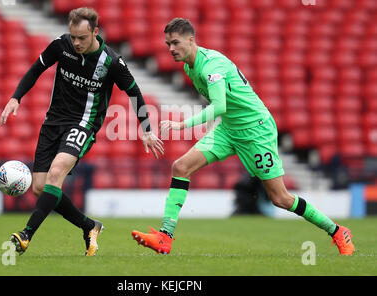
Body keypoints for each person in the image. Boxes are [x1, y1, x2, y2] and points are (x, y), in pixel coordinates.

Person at [131, 18, 354, 256]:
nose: (171, 49)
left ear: (191, 40)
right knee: (180, 167)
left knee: (280, 198)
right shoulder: (189, 66)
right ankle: (165, 237)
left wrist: (181, 125)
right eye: (168, 44)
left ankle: (337, 231)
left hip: (256, 131)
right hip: (229, 129)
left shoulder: (211, 67)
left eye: (175, 43)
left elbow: (218, 107)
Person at [0, 7, 164, 256]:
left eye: (82, 38)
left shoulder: (112, 62)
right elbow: (35, 69)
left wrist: (147, 130)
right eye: (73, 36)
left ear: (95, 32)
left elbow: (134, 92)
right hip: (52, 122)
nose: (76, 42)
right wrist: (16, 98)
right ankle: (89, 226)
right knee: (41, 187)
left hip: (83, 124)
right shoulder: (61, 45)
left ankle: (26, 235)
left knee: (56, 173)